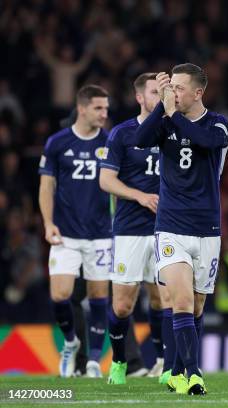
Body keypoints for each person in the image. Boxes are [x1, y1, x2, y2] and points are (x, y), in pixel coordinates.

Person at [129, 63, 228, 395]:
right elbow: (139, 139)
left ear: (198, 92)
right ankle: (194, 373)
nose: (173, 92)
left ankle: (176, 370)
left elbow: (201, 141)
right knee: (182, 301)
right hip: (171, 225)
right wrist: (161, 106)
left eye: (178, 87)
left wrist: (172, 115)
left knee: (198, 305)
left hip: (207, 228)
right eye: (169, 86)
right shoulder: (166, 119)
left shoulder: (219, 125)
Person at [100, 72, 173, 384]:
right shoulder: (121, 133)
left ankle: (163, 362)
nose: (160, 97)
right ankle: (119, 361)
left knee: (164, 300)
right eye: (155, 92)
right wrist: (140, 196)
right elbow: (106, 180)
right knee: (122, 304)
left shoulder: (173, 129)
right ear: (140, 98)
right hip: (130, 228)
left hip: (167, 228)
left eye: (165, 91)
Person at [38, 85, 112, 378]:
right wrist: (47, 222)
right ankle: (70, 343)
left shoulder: (110, 142)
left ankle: (93, 360)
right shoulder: (58, 143)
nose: (104, 114)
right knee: (61, 295)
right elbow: (46, 185)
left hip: (101, 233)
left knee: (97, 297)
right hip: (66, 234)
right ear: (81, 109)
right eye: (98, 108)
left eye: (106, 108)